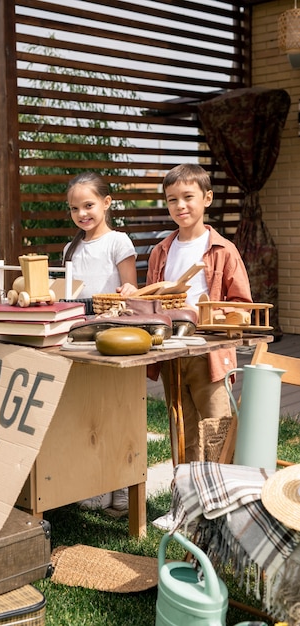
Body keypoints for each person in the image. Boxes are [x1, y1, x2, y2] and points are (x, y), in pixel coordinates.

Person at [146, 163, 252, 529]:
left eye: (188, 197)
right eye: (172, 199)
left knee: (216, 427)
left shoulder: (223, 250)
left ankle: (218, 506)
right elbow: (152, 302)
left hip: (209, 356)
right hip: (174, 353)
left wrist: (203, 312)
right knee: (183, 430)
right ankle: (184, 506)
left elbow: (242, 307)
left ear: (206, 198)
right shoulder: (162, 250)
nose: (181, 206)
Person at [63, 171, 138, 512]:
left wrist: (128, 292)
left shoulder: (118, 242)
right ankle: (95, 483)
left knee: (115, 410)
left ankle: (120, 485)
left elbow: (131, 289)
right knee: (89, 411)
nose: (82, 214)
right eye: (75, 208)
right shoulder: (71, 247)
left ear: (107, 203)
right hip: (80, 334)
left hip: (110, 332)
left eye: (89, 205)